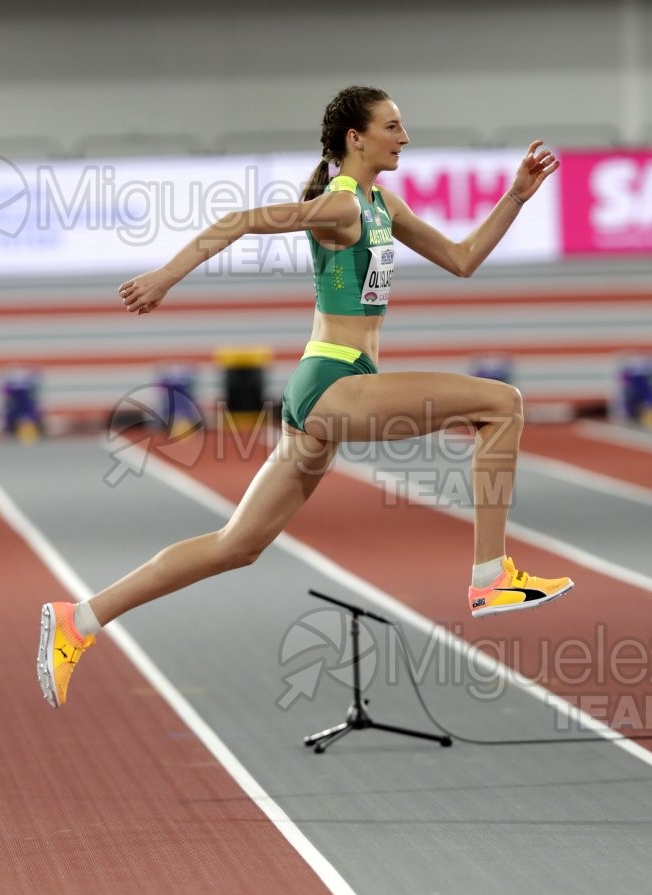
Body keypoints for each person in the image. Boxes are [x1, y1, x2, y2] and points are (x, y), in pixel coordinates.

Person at [36, 85, 573, 708]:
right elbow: (240, 221)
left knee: (236, 546)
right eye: (393, 126)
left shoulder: (380, 204)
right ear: (356, 138)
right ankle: (491, 576)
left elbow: (462, 258)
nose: (404, 137)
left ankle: (81, 619)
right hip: (334, 383)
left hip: (328, 390)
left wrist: (514, 196)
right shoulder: (341, 207)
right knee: (501, 403)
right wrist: (163, 278)